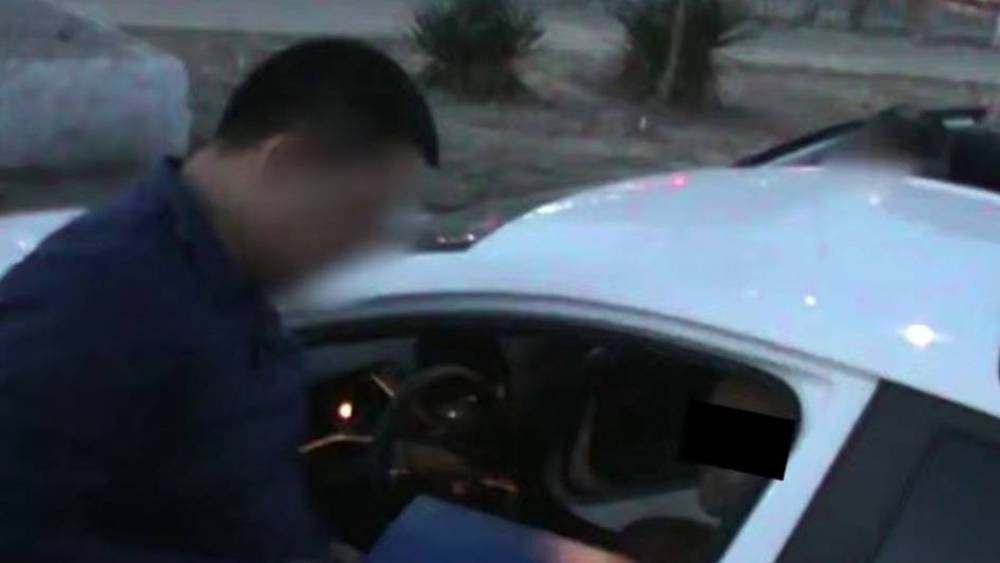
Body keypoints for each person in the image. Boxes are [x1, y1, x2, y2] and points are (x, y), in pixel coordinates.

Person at [0, 38, 438, 563]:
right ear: (283, 163)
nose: (360, 247)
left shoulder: (239, 283)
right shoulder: (95, 294)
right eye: (357, 215)